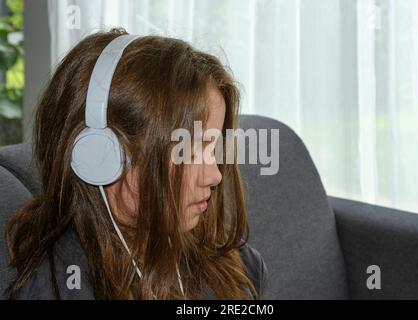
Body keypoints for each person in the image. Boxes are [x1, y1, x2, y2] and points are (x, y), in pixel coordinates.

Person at [4, 28, 269, 300]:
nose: (214, 176)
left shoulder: (236, 269)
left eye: (214, 150)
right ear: (102, 155)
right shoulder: (59, 287)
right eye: (189, 151)